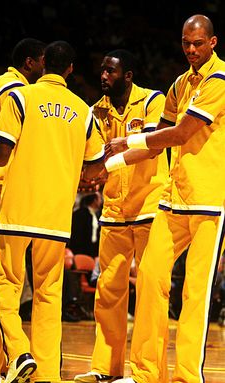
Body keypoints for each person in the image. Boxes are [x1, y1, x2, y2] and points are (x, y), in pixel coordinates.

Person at [103, 14, 225, 383]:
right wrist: (108, 165)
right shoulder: (178, 84)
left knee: (195, 293)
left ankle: (188, 377)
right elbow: (156, 143)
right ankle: (145, 374)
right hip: (173, 197)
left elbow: (181, 133)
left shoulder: (219, 80)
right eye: (186, 43)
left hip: (208, 198)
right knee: (152, 276)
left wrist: (129, 140)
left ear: (213, 43)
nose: (190, 49)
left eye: (198, 43)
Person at [0, 40, 105, 383]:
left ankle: (19, 351)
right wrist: (80, 178)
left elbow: (1, 152)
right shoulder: (83, 110)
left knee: (3, 286)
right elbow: (96, 165)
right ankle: (48, 374)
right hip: (56, 218)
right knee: (49, 295)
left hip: (16, 211)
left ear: (42, 65)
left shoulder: (20, 98)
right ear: (70, 69)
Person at [75, 49, 170, 383]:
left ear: (127, 75)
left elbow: (151, 146)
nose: (103, 76)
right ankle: (105, 368)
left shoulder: (152, 101)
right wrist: (88, 173)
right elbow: (95, 157)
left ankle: (147, 374)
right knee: (108, 293)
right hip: (114, 209)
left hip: (150, 207)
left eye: (110, 71)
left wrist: (109, 161)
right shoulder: (95, 111)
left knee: (149, 294)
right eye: (102, 70)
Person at [0, 37, 46, 383]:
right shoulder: (11, 87)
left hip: (3, 192)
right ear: (29, 62)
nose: (46, 68)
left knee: (0, 283)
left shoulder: (20, 89)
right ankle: (13, 354)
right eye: (42, 62)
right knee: (1, 282)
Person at [69, 191, 103, 258]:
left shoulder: (96, 215)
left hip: (92, 250)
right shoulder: (80, 214)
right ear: (94, 200)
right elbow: (77, 233)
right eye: (99, 198)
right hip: (80, 250)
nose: (101, 201)